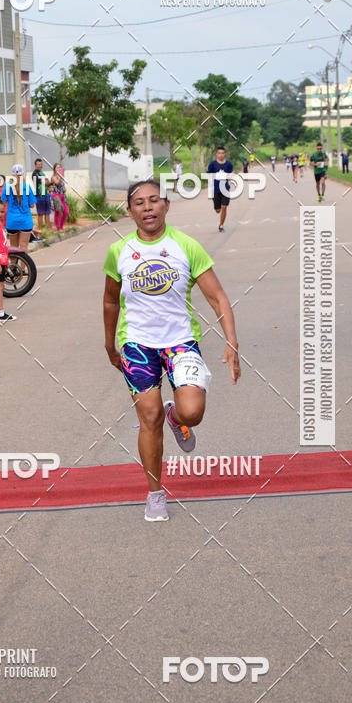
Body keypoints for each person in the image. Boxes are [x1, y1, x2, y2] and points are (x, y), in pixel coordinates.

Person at [103, 178, 240, 522]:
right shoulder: (119, 252)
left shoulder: (186, 246)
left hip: (180, 341)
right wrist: (110, 343)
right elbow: (109, 300)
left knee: (193, 411)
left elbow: (217, 296)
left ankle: (176, 417)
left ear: (166, 205)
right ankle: (155, 495)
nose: (147, 207)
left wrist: (232, 342)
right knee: (148, 419)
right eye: (139, 202)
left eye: (154, 200)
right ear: (130, 210)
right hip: (136, 344)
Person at [2, 164, 36, 251]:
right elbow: (32, 205)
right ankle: (24, 265)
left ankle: (13, 265)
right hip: (25, 220)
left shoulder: (7, 186)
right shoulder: (27, 187)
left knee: (14, 247)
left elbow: (3, 203)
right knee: (24, 247)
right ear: (22, 174)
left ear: (12, 175)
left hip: (12, 220)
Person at [206, 146, 233, 233]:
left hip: (225, 189)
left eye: (222, 153)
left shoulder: (228, 164)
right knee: (218, 210)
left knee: (224, 207)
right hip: (216, 189)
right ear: (217, 154)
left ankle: (221, 225)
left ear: (224, 154)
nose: (221, 155)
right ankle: (218, 208)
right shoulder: (213, 164)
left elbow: (230, 174)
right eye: (219, 153)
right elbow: (208, 174)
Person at [33, 157, 51, 234]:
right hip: (39, 196)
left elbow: (48, 182)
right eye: (38, 164)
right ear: (35, 165)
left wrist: (47, 182)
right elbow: (45, 182)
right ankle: (40, 229)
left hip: (46, 195)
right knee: (40, 214)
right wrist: (47, 181)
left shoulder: (42, 173)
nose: (40, 166)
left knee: (47, 213)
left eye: (41, 164)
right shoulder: (35, 173)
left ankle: (48, 229)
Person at [50, 164, 69, 232]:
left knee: (66, 211)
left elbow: (62, 186)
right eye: (57, 167)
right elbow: (57, 183)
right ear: (54, 169)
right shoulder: (53, 177)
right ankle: (58, 228)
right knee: (57, 212)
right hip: (56, 196)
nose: (58, 168)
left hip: (62, 195)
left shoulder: (61, 177)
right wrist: (61, 176)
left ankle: (61, 226)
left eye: (59, 167)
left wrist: (64, 188)